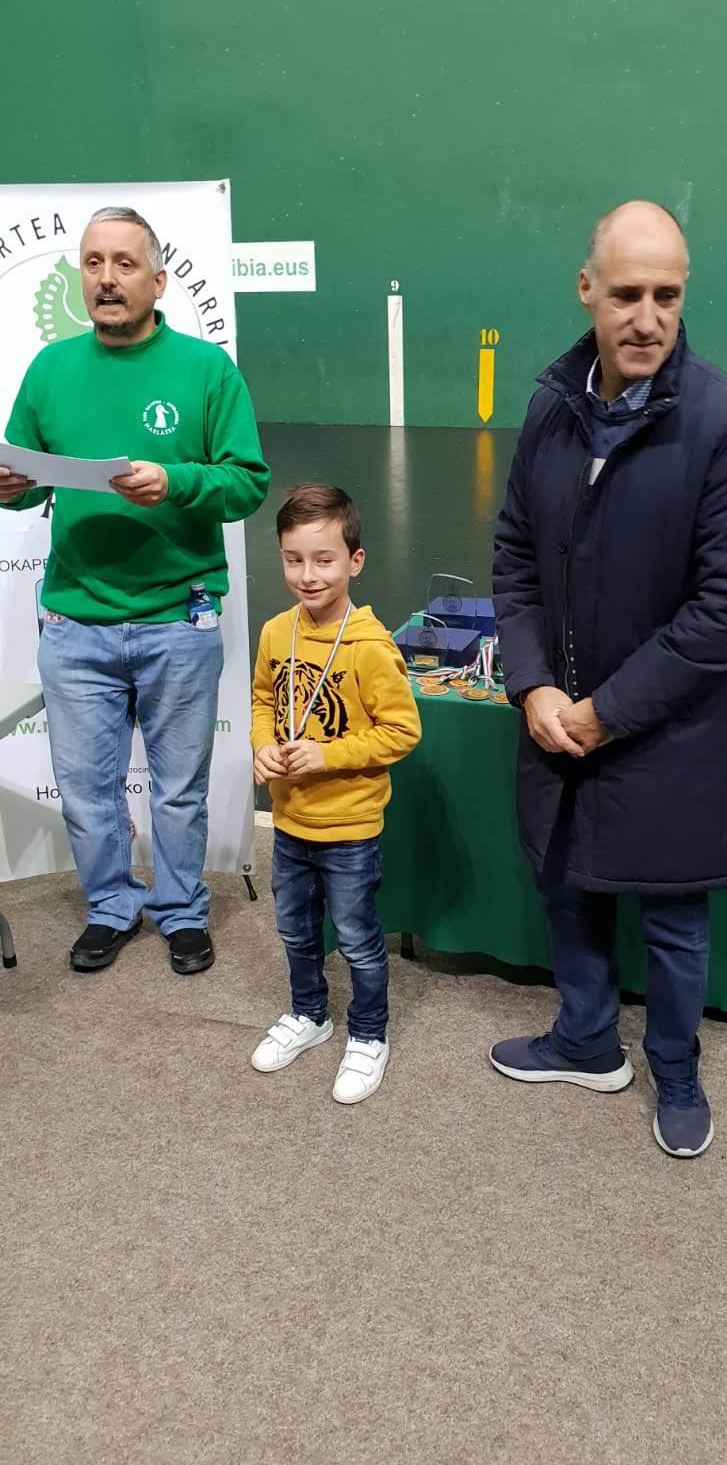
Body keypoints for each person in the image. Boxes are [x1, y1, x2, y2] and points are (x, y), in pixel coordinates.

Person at [490, 199, 727, 1159]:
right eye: (625, 295)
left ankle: (676, 1069)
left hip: (672, 735)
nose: (646, 318)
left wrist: (607, 713)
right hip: (557, 717)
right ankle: (583, 1041)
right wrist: (532, 685)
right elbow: (514, 556)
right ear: (586, 290)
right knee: (567, 883)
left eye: (666, 295)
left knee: (673, 918)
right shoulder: (549, 409)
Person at [0, 206, 269, 975]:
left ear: (158, 279)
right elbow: (24, 480)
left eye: (123, 263)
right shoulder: (50, 369)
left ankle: (182, 911)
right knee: (87, 788)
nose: (106, 279)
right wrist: (11, 487)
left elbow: (247, 482)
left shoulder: (206, 369)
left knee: (178, 789)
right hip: (74, 622)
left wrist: (174, 481)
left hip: (179, 618)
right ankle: (111, 907)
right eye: (93, 263)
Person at [250, 483, 421, 1103]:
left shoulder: (369, 646)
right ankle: (309, 1014)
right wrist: (261, 745)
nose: (308, 575)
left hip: (349, 827)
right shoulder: (277, 632)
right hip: (289, 821)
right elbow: (264, 701)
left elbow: (402, 730)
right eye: (293, 559)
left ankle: (369, 1033)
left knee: (356, 938)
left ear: (355, 561)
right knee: (295, 930)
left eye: (324, 560)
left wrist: (329, 754)